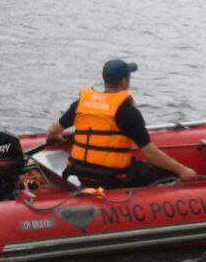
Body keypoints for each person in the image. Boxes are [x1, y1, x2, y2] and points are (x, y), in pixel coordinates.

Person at [47, 58, 197, 189]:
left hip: (81, 174)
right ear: (124, 81)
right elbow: (150, 153)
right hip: (113, 178)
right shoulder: (127, 111)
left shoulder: (80, 104)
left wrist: (57, 136)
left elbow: (53, 131)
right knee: (169, 172)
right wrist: (183, 170)